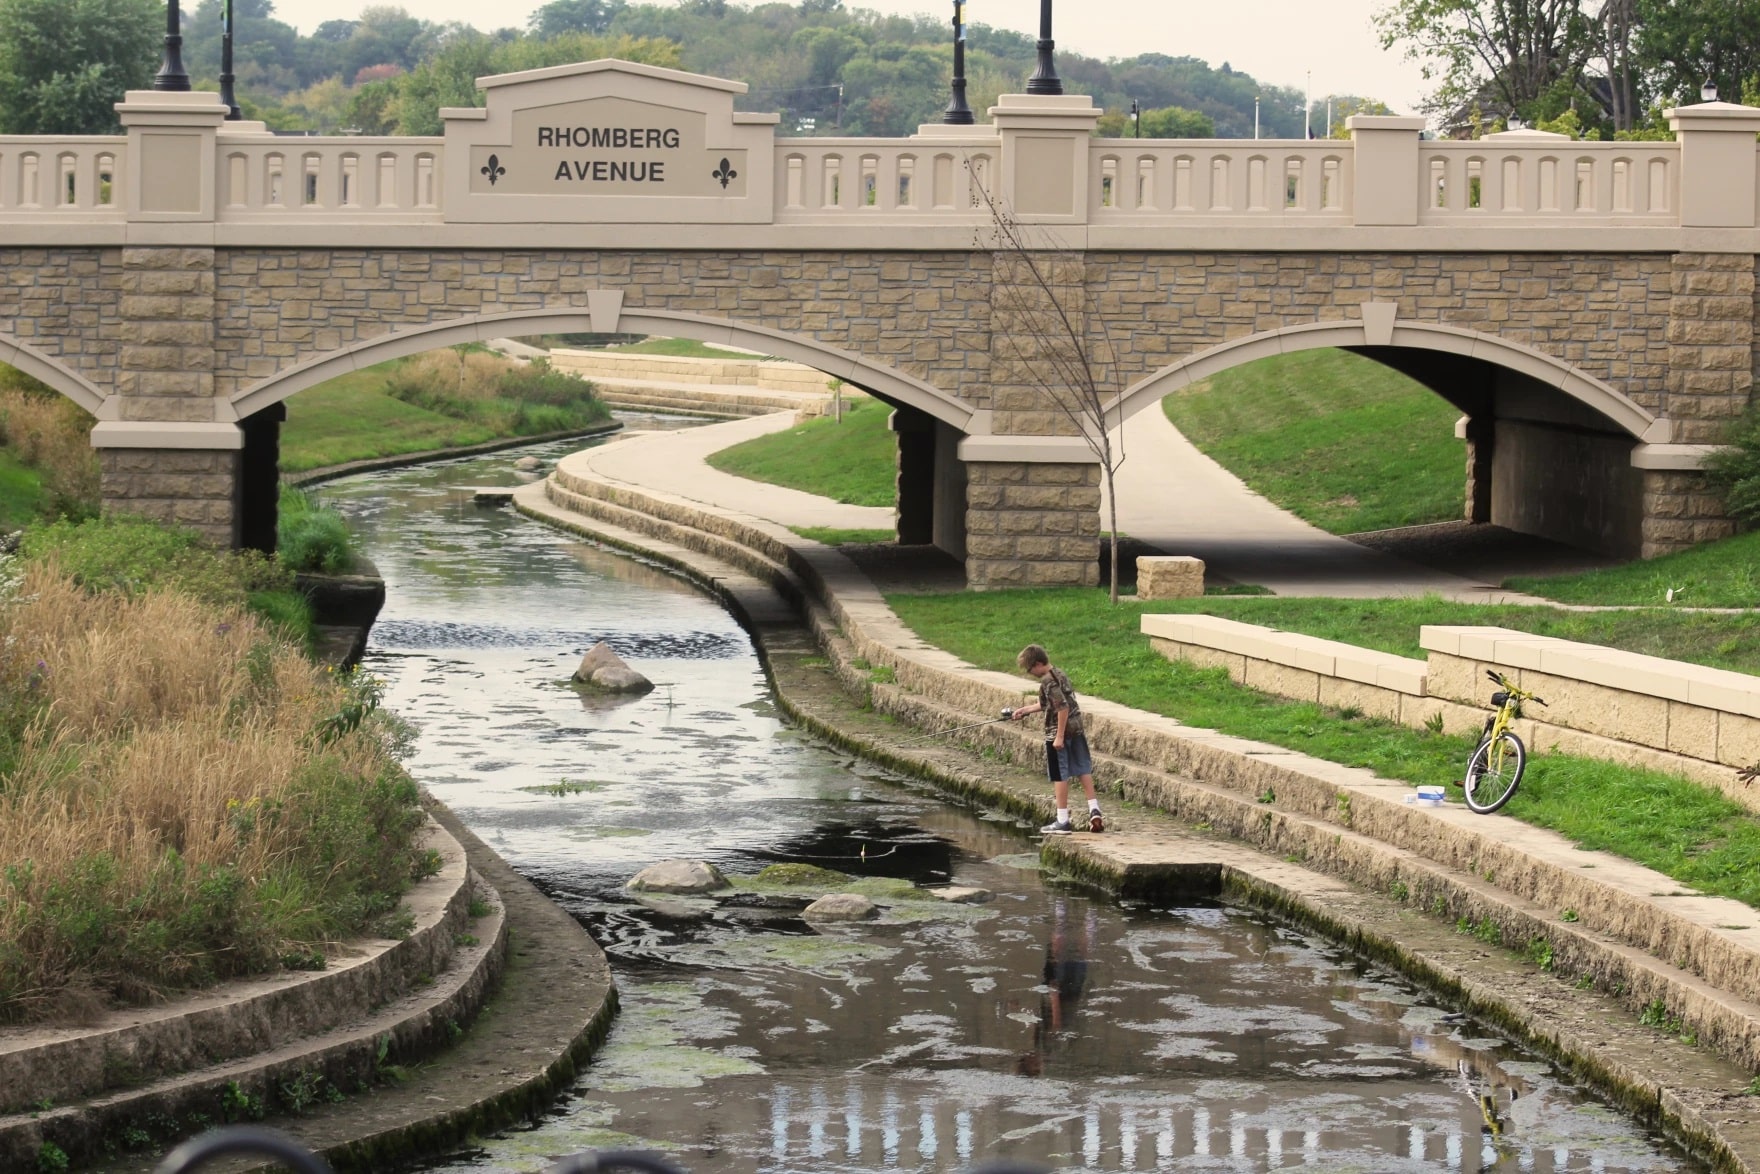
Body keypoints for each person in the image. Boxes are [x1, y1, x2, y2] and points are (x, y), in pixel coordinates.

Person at [1004, 644, 1103, 835]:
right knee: (1083, 767)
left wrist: (1058, 736)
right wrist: (1025, 710)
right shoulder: (1060, 674)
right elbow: (1047, 704)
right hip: (1077, 728)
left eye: (1030, 668)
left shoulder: (1047, 682)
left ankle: (1062, 820)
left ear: (1039, 664)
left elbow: (1062, 707)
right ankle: (1094, 809)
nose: (1030, 672)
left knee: (1060, 774)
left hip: (1059, 732)